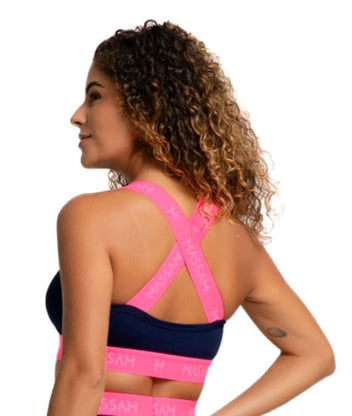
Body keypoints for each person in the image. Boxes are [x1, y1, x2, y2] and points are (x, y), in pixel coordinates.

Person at [45, 20, 335, 416]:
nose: (78, 116)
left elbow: (84, 376)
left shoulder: (89, 217)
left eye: (94, 96)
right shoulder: (238, 242)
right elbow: (314, 354)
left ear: (145, 107)